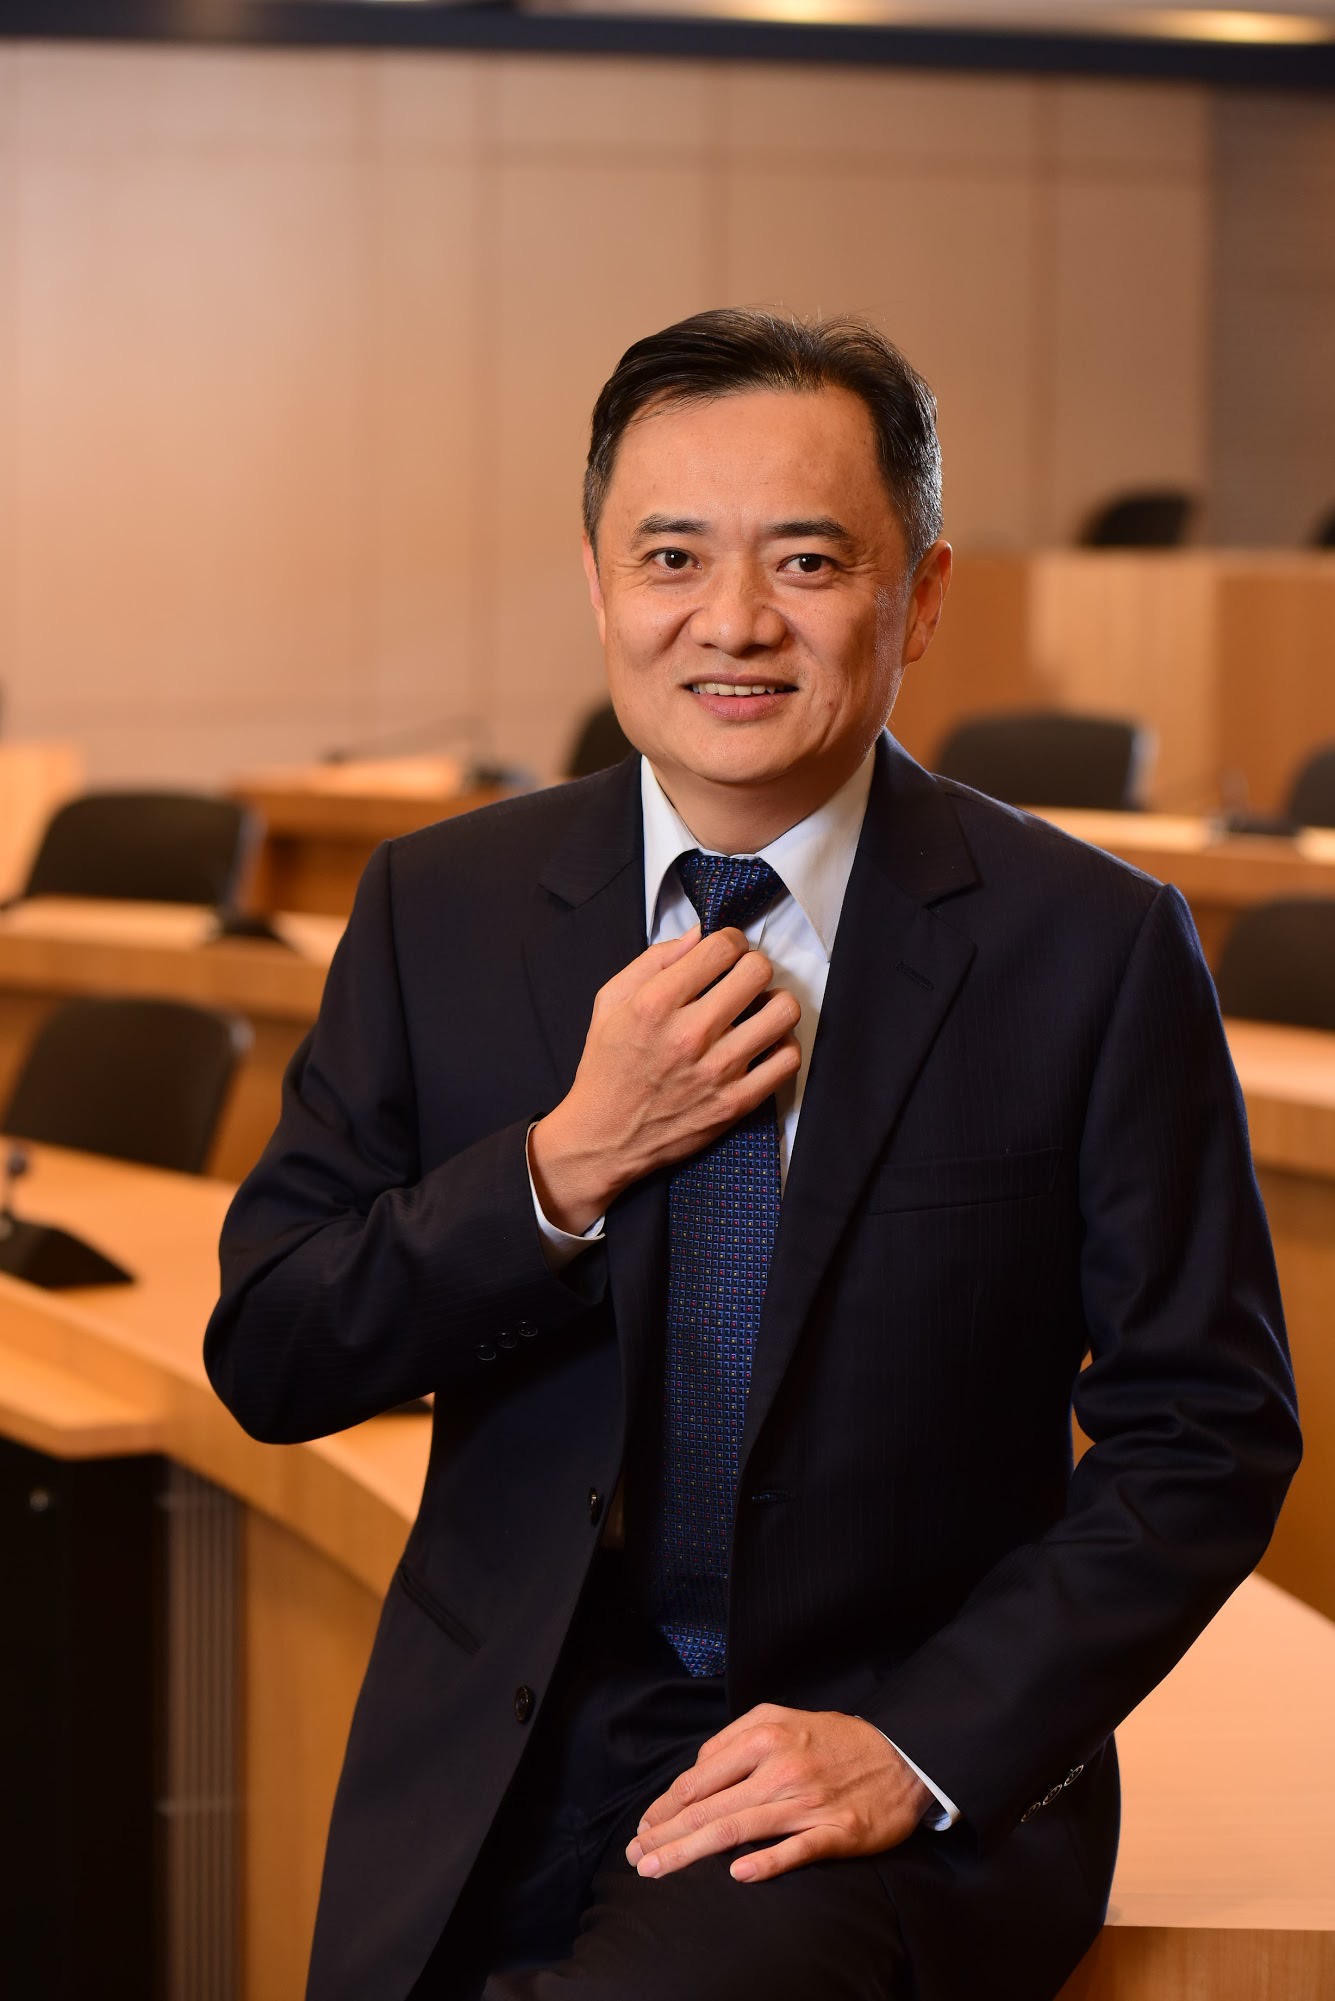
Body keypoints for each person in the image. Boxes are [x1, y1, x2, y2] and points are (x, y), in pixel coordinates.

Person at [204, 309, 1301, 2001]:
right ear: (597, 585)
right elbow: (275, 1348)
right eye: (671, 557)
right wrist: (561, 1168)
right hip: (505, 1734)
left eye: (807, 559)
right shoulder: (442, 907)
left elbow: (1207, 1428)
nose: (732, 620)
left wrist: (920, 1740)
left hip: (873, 1758)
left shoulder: (1091, 948)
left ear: (919, 596)